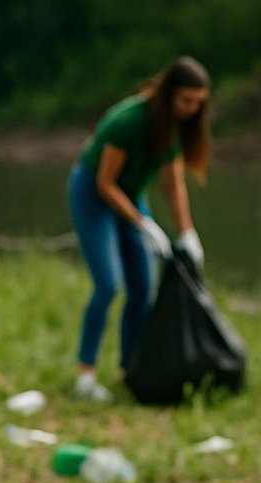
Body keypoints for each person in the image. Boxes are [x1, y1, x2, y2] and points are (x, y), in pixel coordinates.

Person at [69, 56, 211, 401]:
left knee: (142, 286)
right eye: (186, 101)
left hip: (130, 196)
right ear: (169, 94)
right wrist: (142, 222)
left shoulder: (176, 126)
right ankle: (85, 374)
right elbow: (105, 183)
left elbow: (172, 184)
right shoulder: (128, 120)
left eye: (198, 103)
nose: (192, 109)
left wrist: (185, 232)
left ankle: (130, 368)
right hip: (93, 194)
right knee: (107, 284)